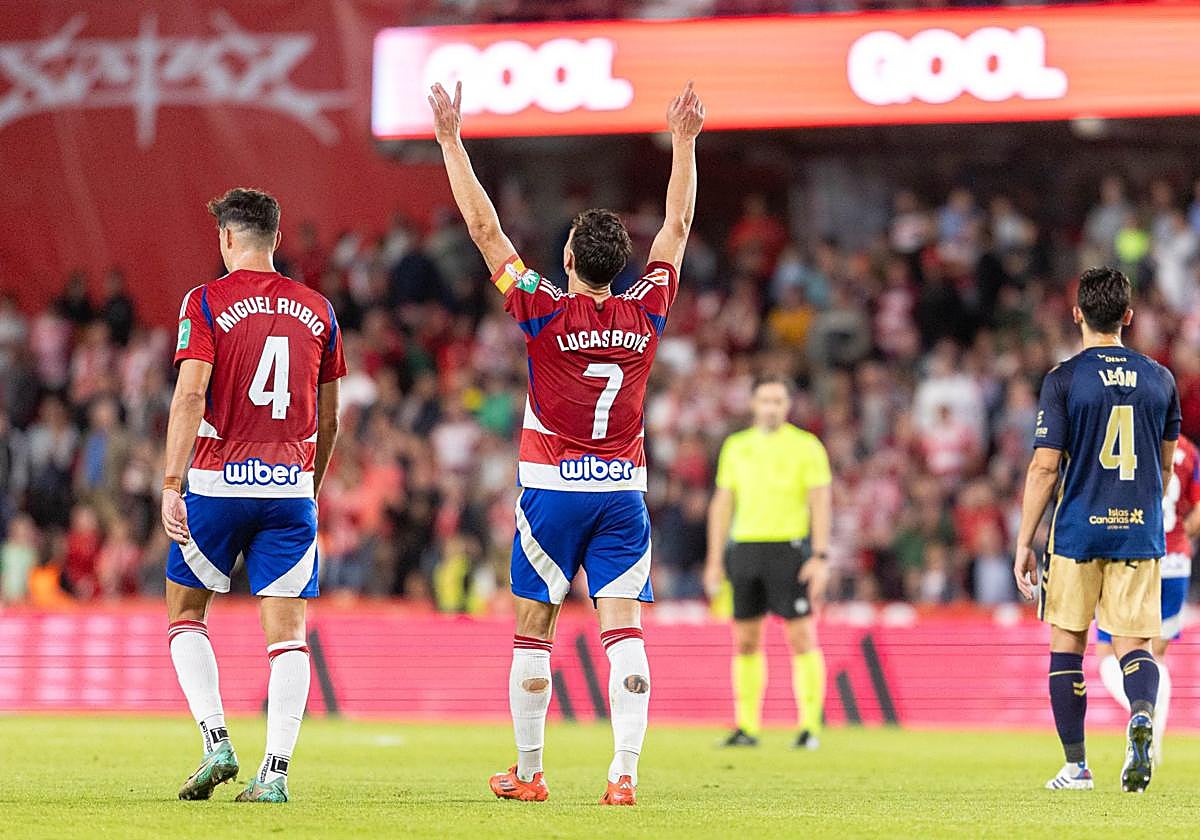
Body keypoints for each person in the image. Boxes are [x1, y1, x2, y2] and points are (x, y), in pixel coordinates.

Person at [428, 79, 704, 806]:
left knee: (533, 630)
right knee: (625, 633)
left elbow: (487, 234)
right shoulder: (648, 308)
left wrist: (453, 141)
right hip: (622, 495)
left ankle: (529, 771)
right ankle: (624, 775)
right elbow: (674, 229)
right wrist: (684, 143)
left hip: (553, 493)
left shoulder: (543, 308)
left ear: (572, 256)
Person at [161, 188, 345, 803]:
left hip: (216, 485)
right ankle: (275, 774)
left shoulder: (206, 301)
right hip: (289, 489)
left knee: (187, 613)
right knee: (287, 635)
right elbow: (331, 419)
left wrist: (169, 482)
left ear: (227, 240)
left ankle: (216, 740)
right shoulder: (319, 309)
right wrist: (307, 488)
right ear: (278, 240)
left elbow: (190, 395)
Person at [1013, 266, 1180, 794]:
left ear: (1077, 313)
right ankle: (1143, 717)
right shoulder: (1160, 378)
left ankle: (1077, 767)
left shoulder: (1064, 379)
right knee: (1135, 647)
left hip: (1079, 531)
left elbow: (1044, 467)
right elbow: (1166, 466)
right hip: (1138, 530)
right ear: (1129, 317)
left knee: (1068, 646)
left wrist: (1023, 542)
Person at [703, 376, 832, 749]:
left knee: (801, 634)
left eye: (778, 400)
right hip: (744, 548)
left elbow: (820, 502)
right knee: (745, 639)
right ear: (753, 404)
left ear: (788, 405)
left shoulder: (807, 447)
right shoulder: (736, 447)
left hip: (788, 549)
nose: (771, 407)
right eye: (765, 400)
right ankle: (747, 727)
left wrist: (820, 556)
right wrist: (714, 560)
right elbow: (722, 504)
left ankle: (809, 726)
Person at [1095, 433, 1200, 764]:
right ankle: (1153, 744)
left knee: (1107, 652)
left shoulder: (1131, 442)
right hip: (1176, 561)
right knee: (1157, 655)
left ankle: (1143, 713)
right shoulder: (1188, 452)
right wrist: (1180, 534)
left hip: (1135, 556)